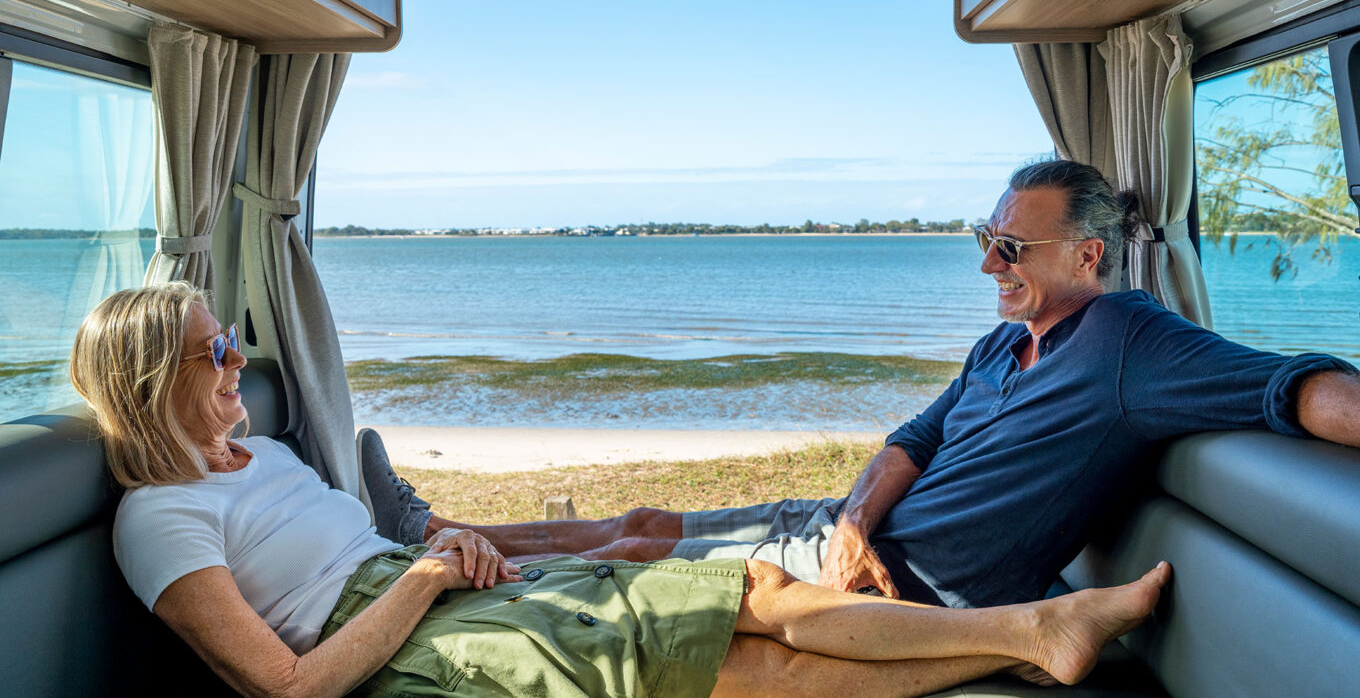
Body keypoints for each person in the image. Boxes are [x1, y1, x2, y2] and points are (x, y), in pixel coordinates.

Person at [73, 281, 1172, 698]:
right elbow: (288, 688)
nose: (238, 363)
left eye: (233, 344)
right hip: (399, 643)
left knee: (747, 587)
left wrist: (473, 553)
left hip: (426, 592)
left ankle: (1030, 635)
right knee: (744, 668)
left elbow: (379, 558)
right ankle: (1030, 636)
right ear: (151, 379)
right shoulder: (159, 517)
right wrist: (423, 579)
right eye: (216, 351)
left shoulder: (259, 457)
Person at [394, 158, 1360, 609]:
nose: (988, 264)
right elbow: (914, 439)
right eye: (986, 240)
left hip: (905, 585)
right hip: (851, 532)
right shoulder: (1002, 347)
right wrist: (855, 515)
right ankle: (442, 531)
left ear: (1089, 254)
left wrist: (860, 546)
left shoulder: (1127, 339)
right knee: (644, 517)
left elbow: (1294, 386)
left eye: (1011, 248)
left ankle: (451, 574)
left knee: (636, 551)